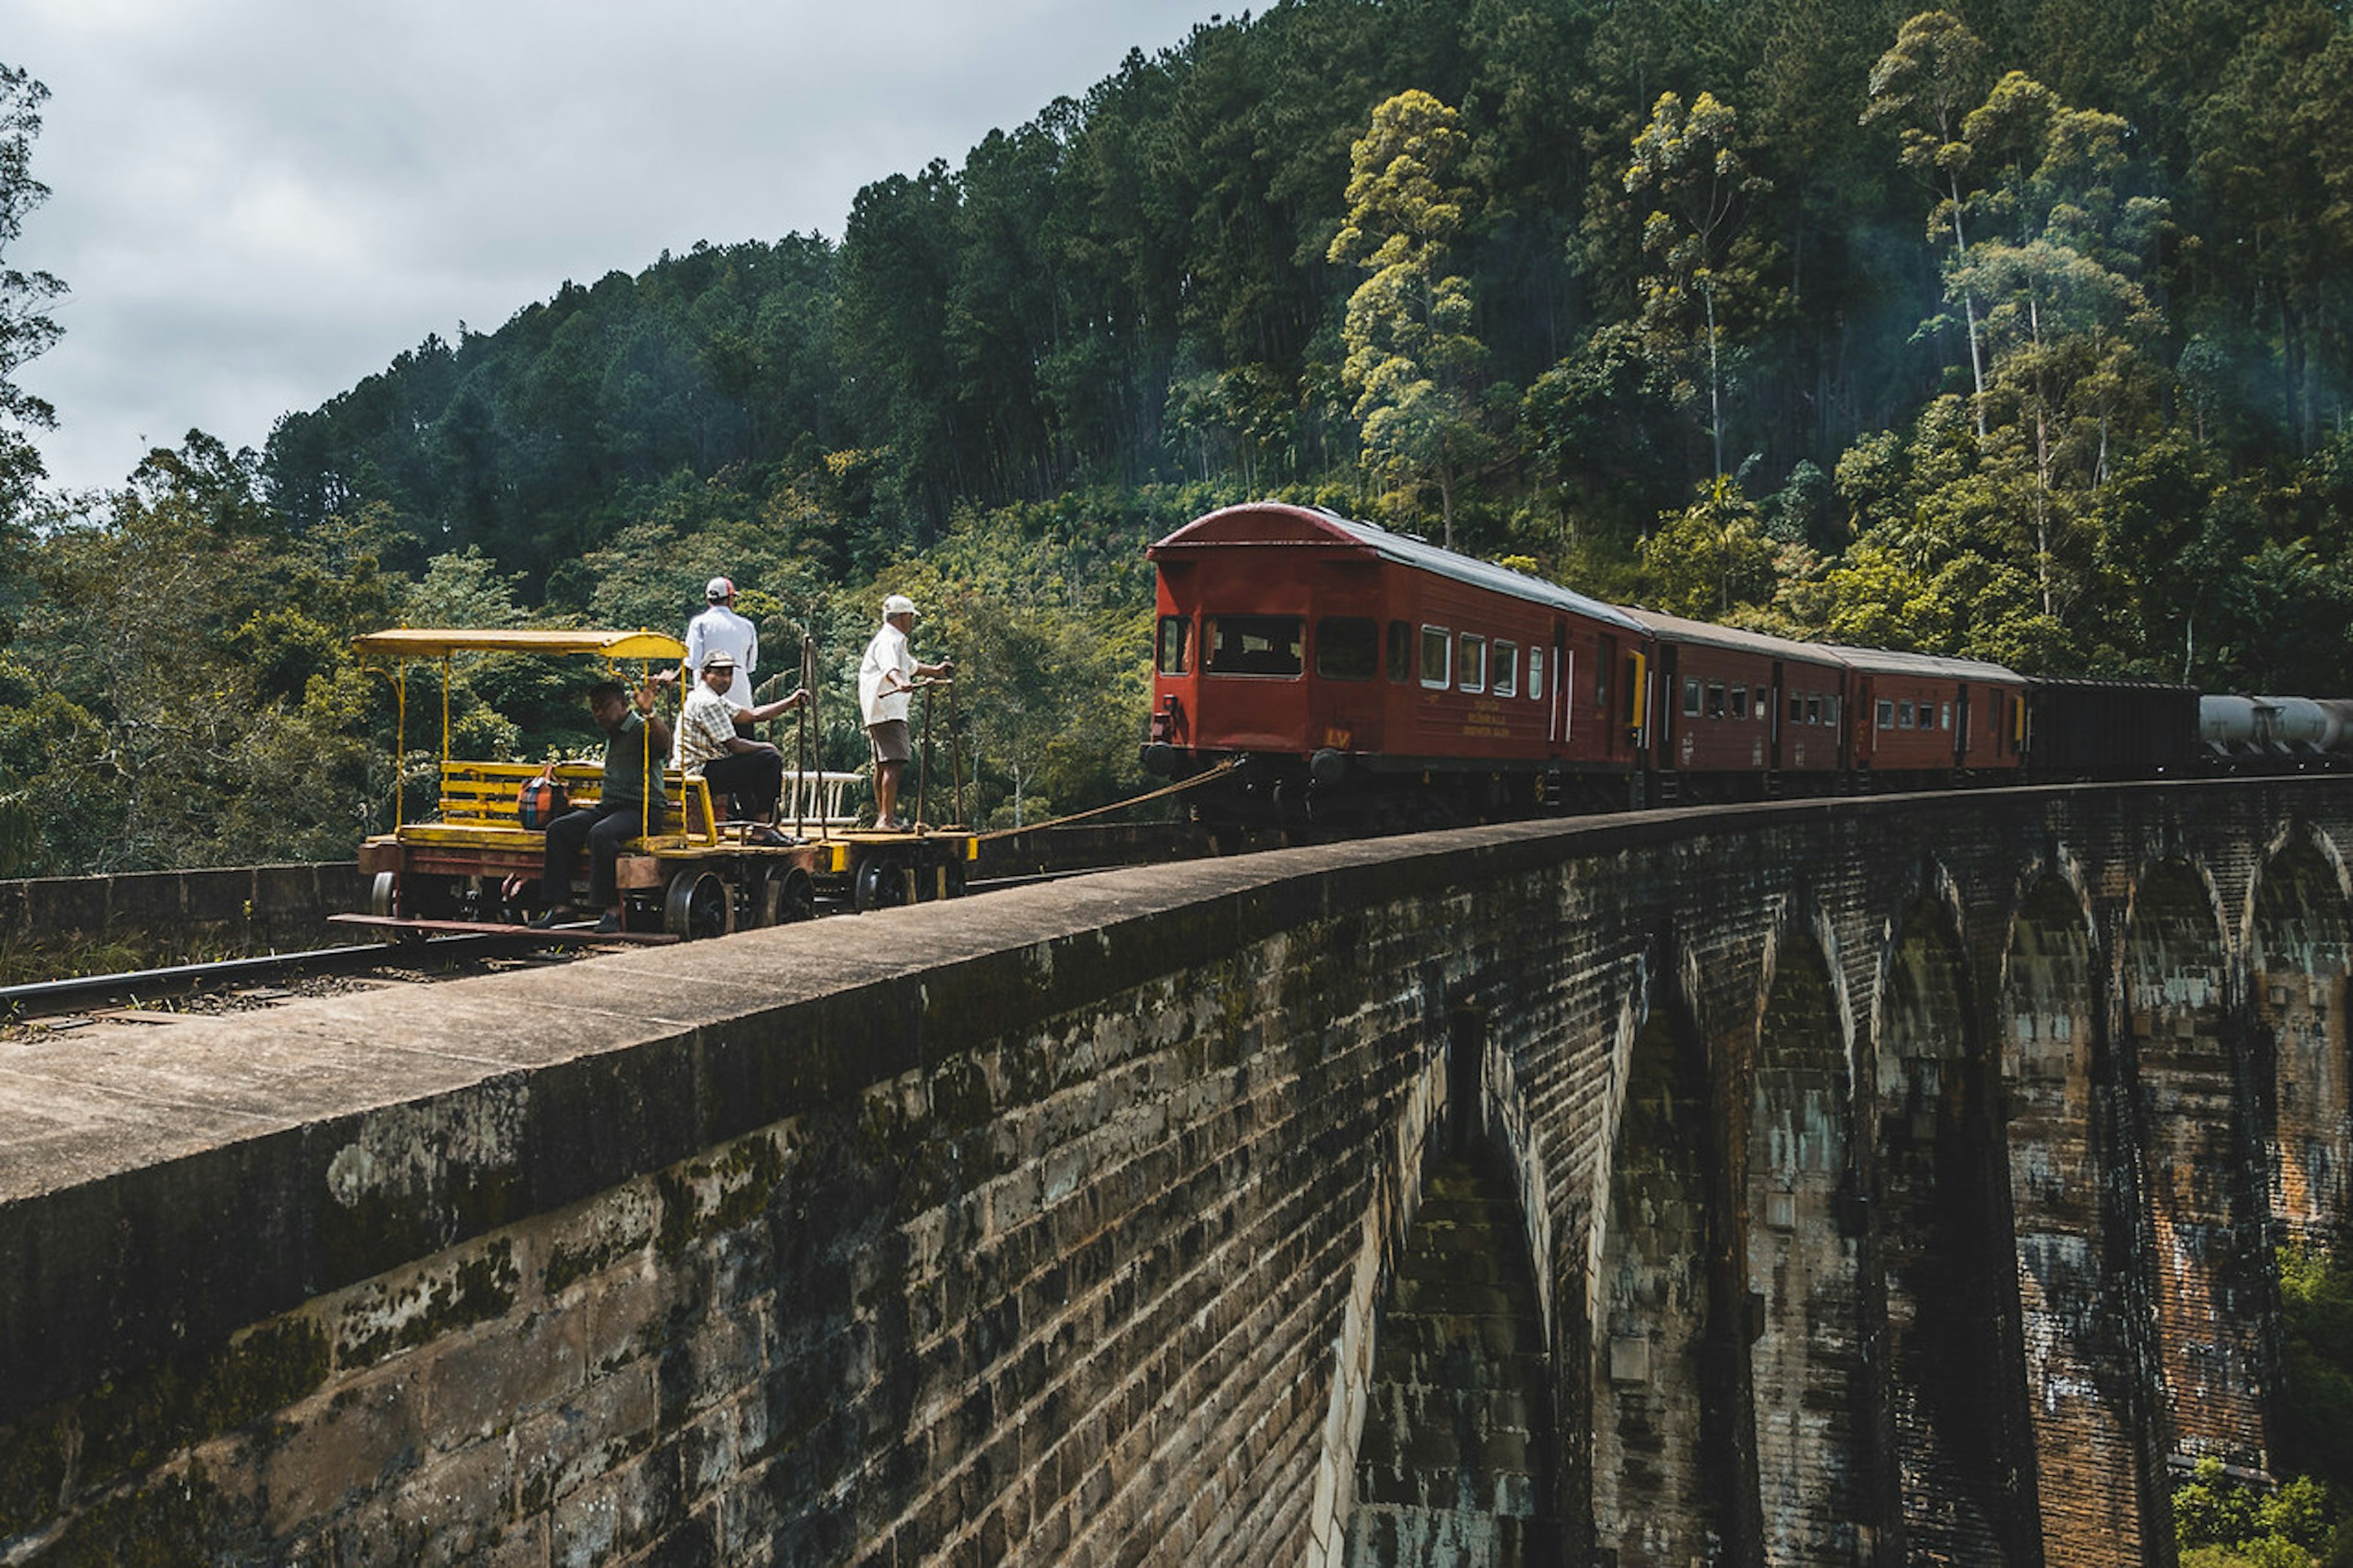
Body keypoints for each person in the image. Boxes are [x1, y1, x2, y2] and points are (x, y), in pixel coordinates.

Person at [532, 673, 672, 934]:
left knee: (601, 834)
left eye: (604, 707)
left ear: (622, 704)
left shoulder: (640, 728)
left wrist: (650, 712)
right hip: (611, 807)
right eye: (594, 708)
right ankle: (561, 906)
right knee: (559, 830)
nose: (598, 713)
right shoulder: (614, 733)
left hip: (642, 810)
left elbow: (663, 745)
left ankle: (612, 909)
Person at [674, 649, 808, 826]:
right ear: (705, 675)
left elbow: (752, 715)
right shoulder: (707, 701)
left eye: (729, 674)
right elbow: (735, 746)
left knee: (756, 764)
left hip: (708, 767)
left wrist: (790, 703)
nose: (726, 680)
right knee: (769, 760)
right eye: (720, 674)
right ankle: (763, 828)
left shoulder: (712, 698)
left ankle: (759, 821)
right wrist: (767, 747)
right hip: (699, 770)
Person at [857, 593, 953, 831]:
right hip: (888, 709)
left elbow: (910, 666)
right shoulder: (891, 640)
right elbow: (892, 669)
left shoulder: (892, 641)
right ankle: (886, 820)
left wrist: (936, 671)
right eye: (911, 617)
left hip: (879, 710)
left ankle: (884, 816)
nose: (912, 622)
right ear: (903, 617)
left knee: (883, 763)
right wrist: (900, 682)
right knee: (894, 763)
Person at [683, 576, 758, 708]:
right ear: (730, 599)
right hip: (741, 703)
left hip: (707, 705)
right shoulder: (747, 626)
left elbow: (692, 663)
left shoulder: (699, 624)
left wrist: (672, 678)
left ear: (708, 600)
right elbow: (750, 667)